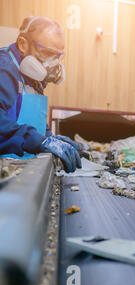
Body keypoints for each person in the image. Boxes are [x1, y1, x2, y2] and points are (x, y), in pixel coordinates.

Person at [0, 16, 81, 173]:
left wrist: (49, 137)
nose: (52, 64)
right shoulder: (4, 68)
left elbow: (27, 118)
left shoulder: (32, 76)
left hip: (16, 167)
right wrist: (41, 141)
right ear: (23, 44)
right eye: (46, 53)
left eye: (57, 56)